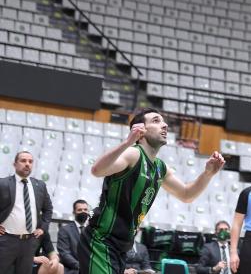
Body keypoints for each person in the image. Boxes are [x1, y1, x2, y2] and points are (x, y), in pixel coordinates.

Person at [78, 108, 226, 274]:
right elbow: (97, 170)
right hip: (101, 239)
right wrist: (127, 142)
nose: (164, 126)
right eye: (156, 121)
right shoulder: (132, 154)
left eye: (164, 121)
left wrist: (208, 174)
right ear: (140, 130)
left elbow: (186, 195)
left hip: (122, 246)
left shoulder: (161, 168)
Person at [0, 150, 53, 274]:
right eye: (23, 161)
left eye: (30, 161)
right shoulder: (2, 183)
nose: (27, 164)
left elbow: (48, 209)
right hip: (6, 239)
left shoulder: (40, 185)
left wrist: (43, 228)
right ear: (15, 164)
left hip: (29, 241)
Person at [57, 199, 89, 274]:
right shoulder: (65, 230)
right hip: (73, 269)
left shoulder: (93, 230)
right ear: (74, 212)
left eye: (85, 209)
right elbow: (64, 253)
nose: (83, 212)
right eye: (79, 210)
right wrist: (81, 266)